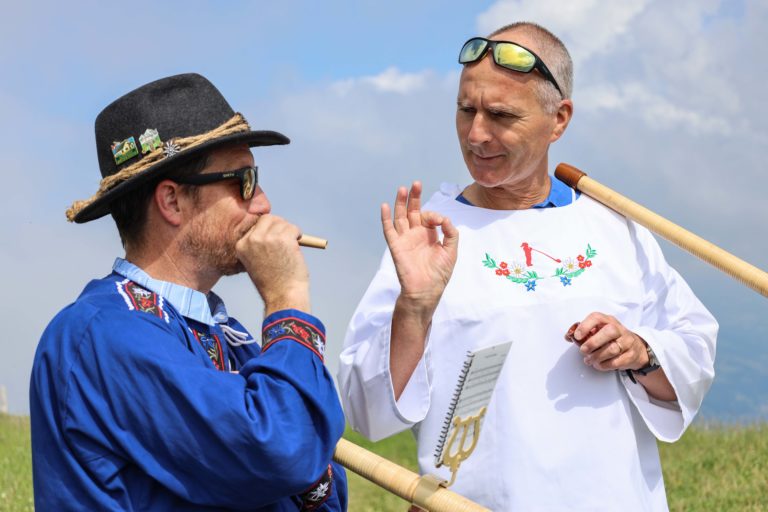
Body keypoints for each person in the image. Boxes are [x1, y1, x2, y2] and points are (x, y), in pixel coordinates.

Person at [338, 22, 716, 511]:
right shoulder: (428, 233)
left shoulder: (614, 228)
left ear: (558, 119)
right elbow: (366, 412)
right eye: (465, 109)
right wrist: (414, 307)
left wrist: (640, 351)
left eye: (500, 115)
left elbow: (694, 351)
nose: (476, 134)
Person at [30, 73, 347, 511]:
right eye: (244, 181)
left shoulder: (225, 335)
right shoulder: (103, 335)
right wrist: (287, 295)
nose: (263, 204)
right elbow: (282, 451)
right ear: (172, 201)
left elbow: (318, 494)